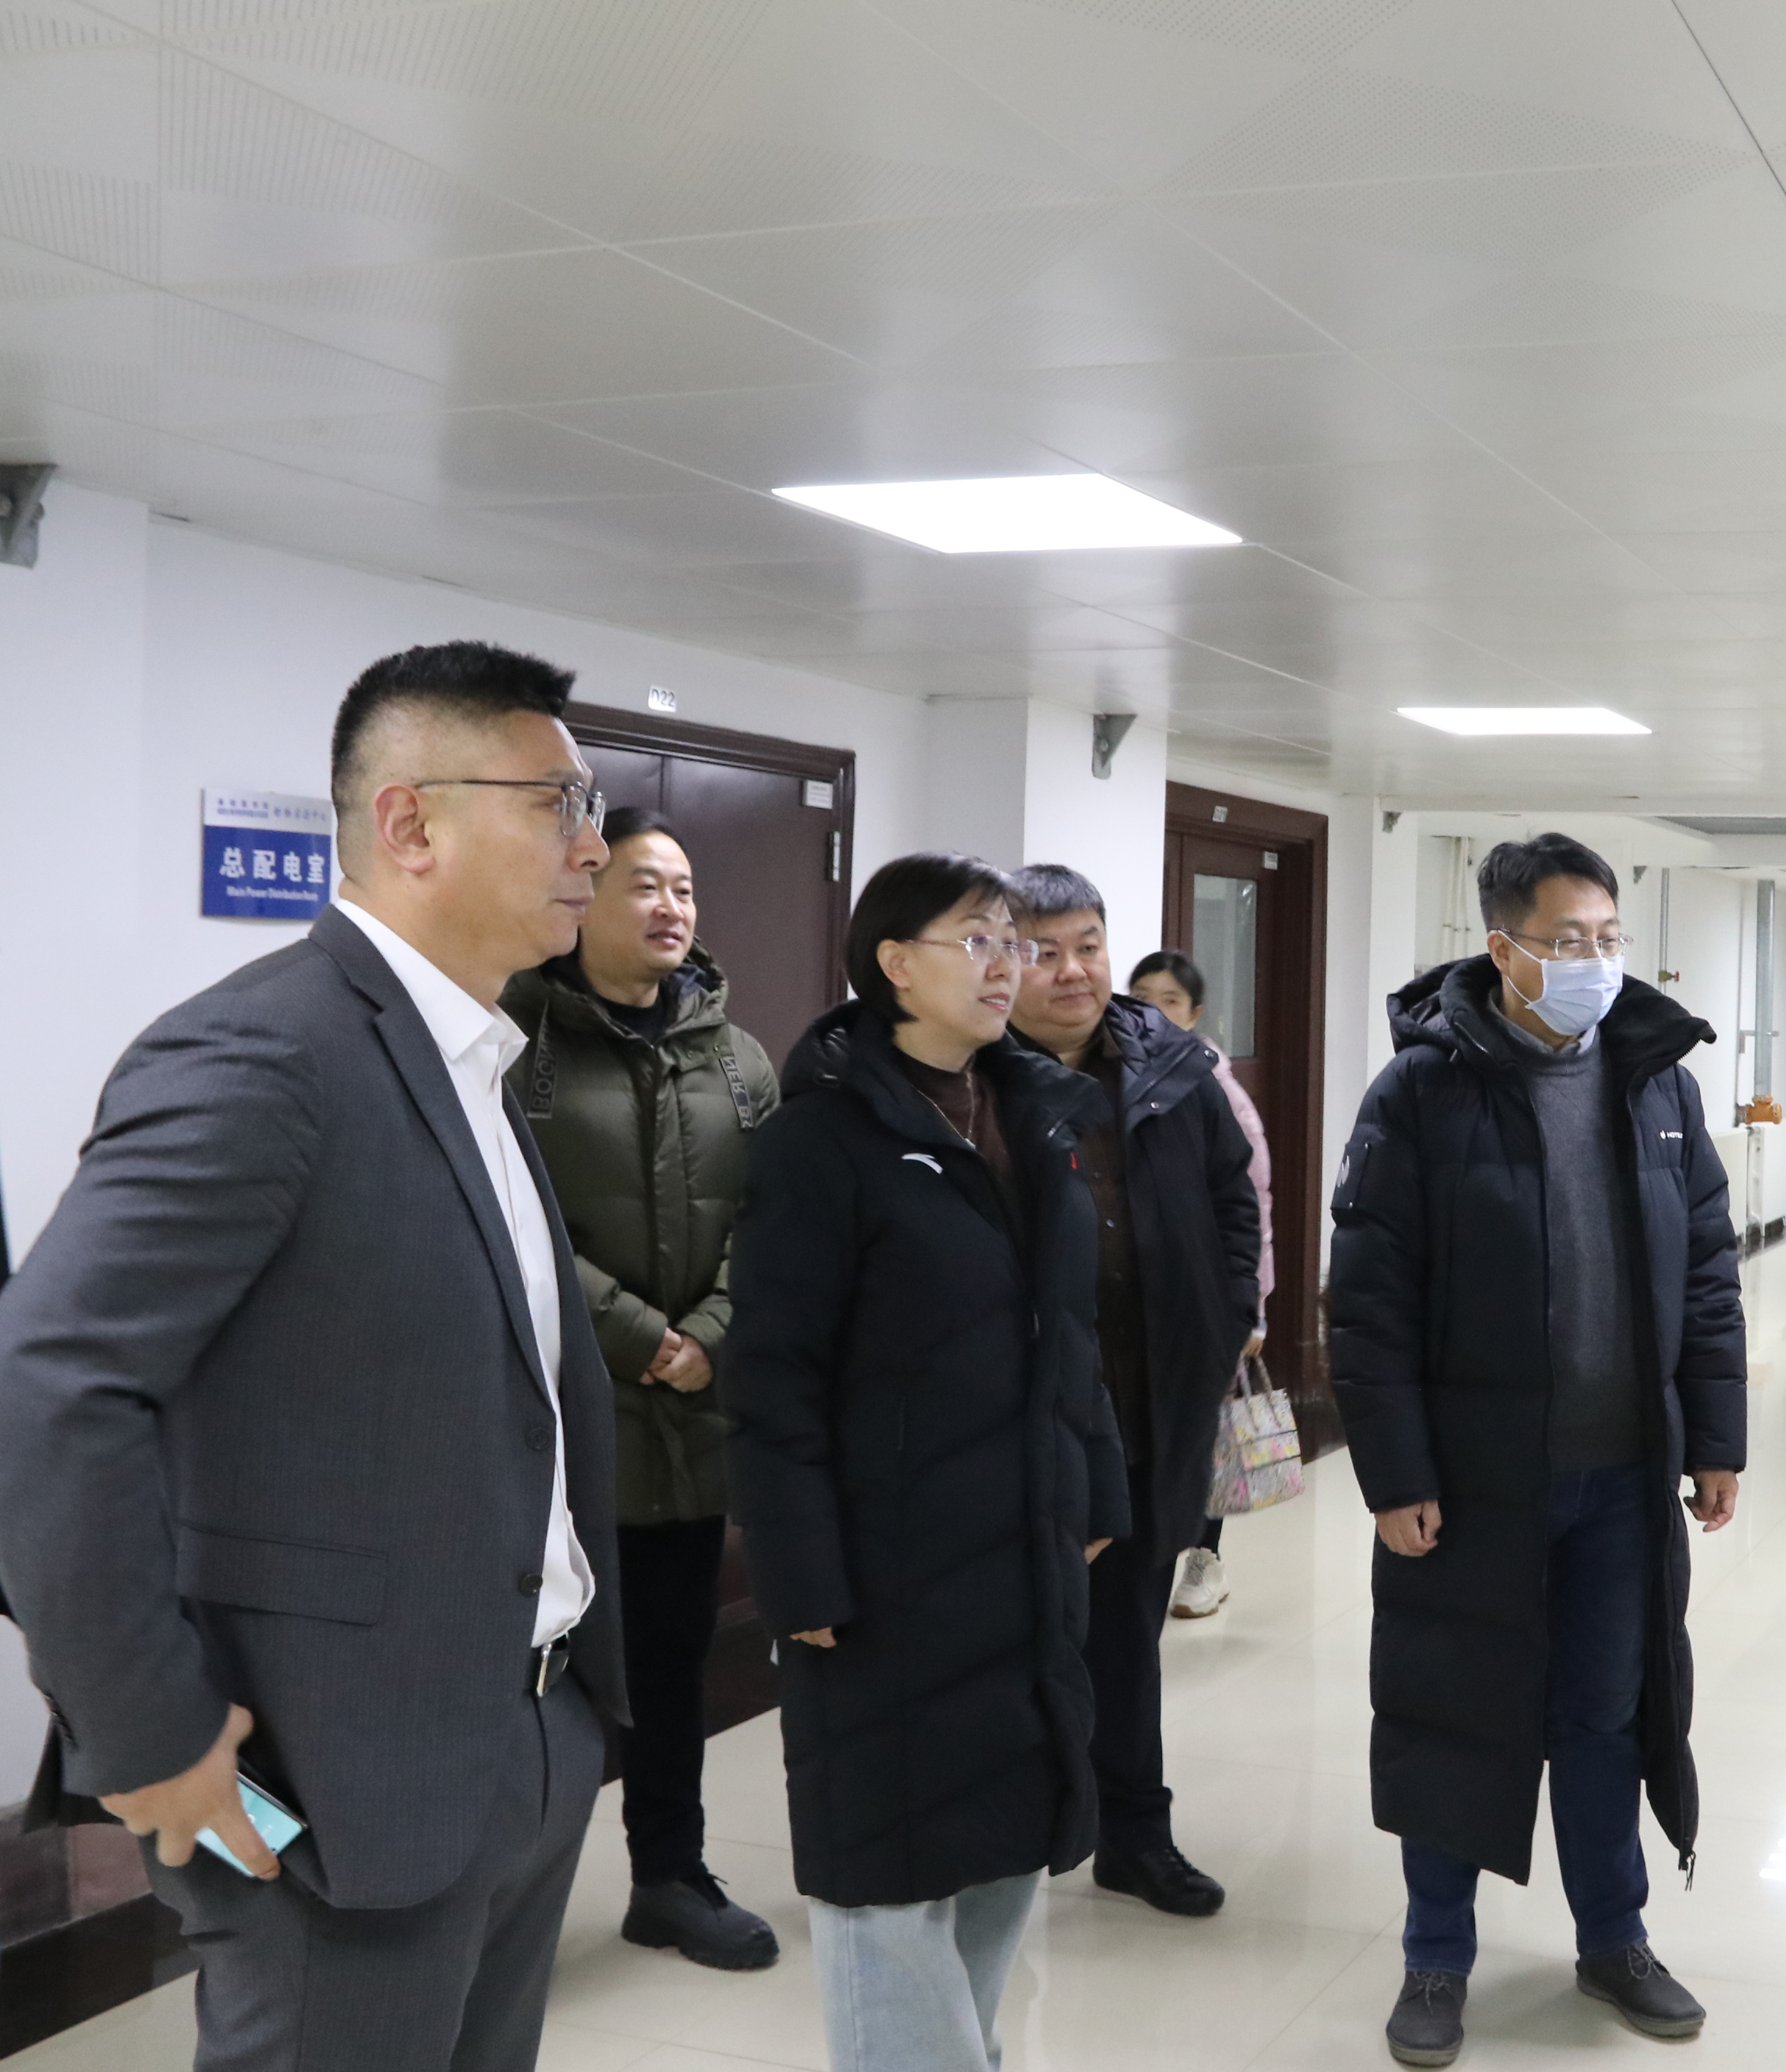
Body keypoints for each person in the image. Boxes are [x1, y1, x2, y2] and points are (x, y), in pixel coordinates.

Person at [0, 640, 625, 2071]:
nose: (591, 844)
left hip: (521, 1734)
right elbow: (45, 1390)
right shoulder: (269, 1054)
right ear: (410, 823)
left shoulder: (474, 1059)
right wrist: (145, 1734)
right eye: (556, 804)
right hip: (337, 1777)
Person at [1328, 832, 1747, 2069]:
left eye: (1610, 939)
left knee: (1607, 1714)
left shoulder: (1656, 1081)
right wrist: (1398, 1474)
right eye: (1569, 941)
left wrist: (1715, 1438)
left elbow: (1708, 1271)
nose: (1595, 963)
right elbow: (1370, 1301)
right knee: (1454, 1709)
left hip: (1623, 1477)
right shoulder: (1421, 1093)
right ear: (1503, 949)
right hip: (1474, 1481)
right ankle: (1436, 1958)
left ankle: (1615, 1939)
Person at [724, 853, 1125, 2072]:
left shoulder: (1032, 1117)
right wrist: (799, 1576)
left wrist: (1097, 1486)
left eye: (1017, 943)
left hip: (1024, 1552)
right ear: (895, 964)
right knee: (888, 1880)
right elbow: (773, 1376)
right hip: (885, 1571)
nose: (1010, 967)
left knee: (1005, 1850)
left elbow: (1072, 1331)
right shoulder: (821, 1141)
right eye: (979, 942)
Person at [503, 805, 783, 1969]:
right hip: (560, 1420)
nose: (672, 907)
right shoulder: (511, 1039)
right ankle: (508, 1903)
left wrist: (710, 1332)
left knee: (672, 1660)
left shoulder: (736, 1055)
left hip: (690, 1416)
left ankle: (669, 1875)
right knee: (538, 1673)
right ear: (581, 896)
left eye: (684, 888)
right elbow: (506, 1212)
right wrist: (636, 1336)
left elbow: (775, 1215)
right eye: (644, 885)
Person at [1005, 867, 1261, 1916]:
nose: (1072, 971)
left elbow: (1233, 1198)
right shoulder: (974, 1075)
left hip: (1152, 1404)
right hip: (1024, 1419)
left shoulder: (1174, 1068)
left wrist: (1225, 1315)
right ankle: (1010, 1831)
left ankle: (1134, 1834)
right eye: (1044, 951)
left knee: (1127, 1640)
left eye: (1089, 946)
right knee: (1016, 1636)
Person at [1127, 946, 1276, 1620]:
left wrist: (1253, 1308)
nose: (1155, 1013)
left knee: (1208, 1430)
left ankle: (1204, 1559)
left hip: (1211, 1299)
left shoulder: (1217, 1090)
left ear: (1195, 1014)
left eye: (1170, 1002)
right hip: (1151, 1304)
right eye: (1143, 999)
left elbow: (1253, 1203)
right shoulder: (1119, 1076)